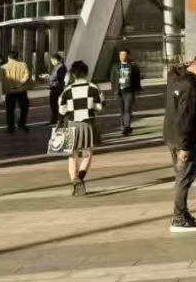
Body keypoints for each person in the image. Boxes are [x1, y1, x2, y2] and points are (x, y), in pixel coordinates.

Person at [165, 50, 196, 232]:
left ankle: (183, 213)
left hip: (172, 135)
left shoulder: (176, 78)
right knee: (184, 179)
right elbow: (185, 117)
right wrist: (184, 146)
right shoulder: (191, 85)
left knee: (182, 177)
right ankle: (179, 218)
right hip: (185, 139)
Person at [56, 60, 102, 194]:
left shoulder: (67, 90)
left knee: (72, 154)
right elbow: (99, 107)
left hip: (71, 123)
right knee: (87, 154)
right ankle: (80, 178)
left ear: (73, 74)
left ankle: (74, 180)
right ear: (86, 72)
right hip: (87, 123)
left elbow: (61, 109)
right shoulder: (93, 87)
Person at [0, 50, 31, 133]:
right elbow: (27, 75)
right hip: (21, 90)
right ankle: (22, 123)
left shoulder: (4, 67)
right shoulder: (23, 65)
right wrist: (20, 83)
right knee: (24, 108)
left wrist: (3, 90)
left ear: (8, 57)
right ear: (17, 56)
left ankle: (11, 127)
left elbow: (2, 80)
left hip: (10, 91)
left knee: (10, 110)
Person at [113, 48, 141, 135]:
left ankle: (126, 126)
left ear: (128, 56)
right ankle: (123, 126)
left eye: (124, 55)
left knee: (127, 109)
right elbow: (112, 79)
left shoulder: (133, 66)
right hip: (119, 92)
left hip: (129, 91)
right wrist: (114, 90)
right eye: (120, 55)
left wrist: (137, 90)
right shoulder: (115, 66)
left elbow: (137, 79)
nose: (122, 56)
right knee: (121, 110)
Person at [47, 53, 68, 127]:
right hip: (55, 88)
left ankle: (57, 121)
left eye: (52, 60)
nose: (51, 62)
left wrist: (49, 77)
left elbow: (59, 79)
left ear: (56, 60)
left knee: (55, 105)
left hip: (57, 89)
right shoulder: (57, 67)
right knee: (54, 105)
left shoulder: (61, 68)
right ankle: (55, 120)